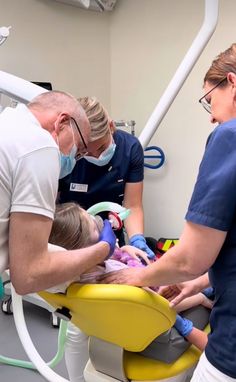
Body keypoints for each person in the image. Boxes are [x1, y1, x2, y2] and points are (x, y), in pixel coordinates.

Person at [99, 43, 236, 381]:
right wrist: (200, 284)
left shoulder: (228, 137)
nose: (211, 115)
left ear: (231, 83)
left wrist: (138, 276)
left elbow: (190, 257)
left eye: (209, 100)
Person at [48, 202, 213, 382]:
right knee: (197, 285)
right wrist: (195, 306)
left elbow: (110, 257)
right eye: (93, 223)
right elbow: (158, 305)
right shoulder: (109, 285)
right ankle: (203, 298)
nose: (99, 222)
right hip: (157, 305)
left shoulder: (86, 270)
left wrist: (126, 249)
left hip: (136, 303)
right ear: (87, 249)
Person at [0, 90, 117, 295]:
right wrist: (103, 249)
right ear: (62, 122)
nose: (75, 160)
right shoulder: (39, 146)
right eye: (79, 150)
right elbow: (29, 276)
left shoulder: (8, 123)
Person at [58, 96, 155, 258]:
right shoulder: (65, 155)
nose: (96, 156)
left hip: (112, 238)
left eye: (102, 147)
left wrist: (137, 240)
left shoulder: (130, 148)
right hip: (70, 239)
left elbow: (133, 205)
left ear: (111, 127)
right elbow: (51, 208)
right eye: (86, 151)